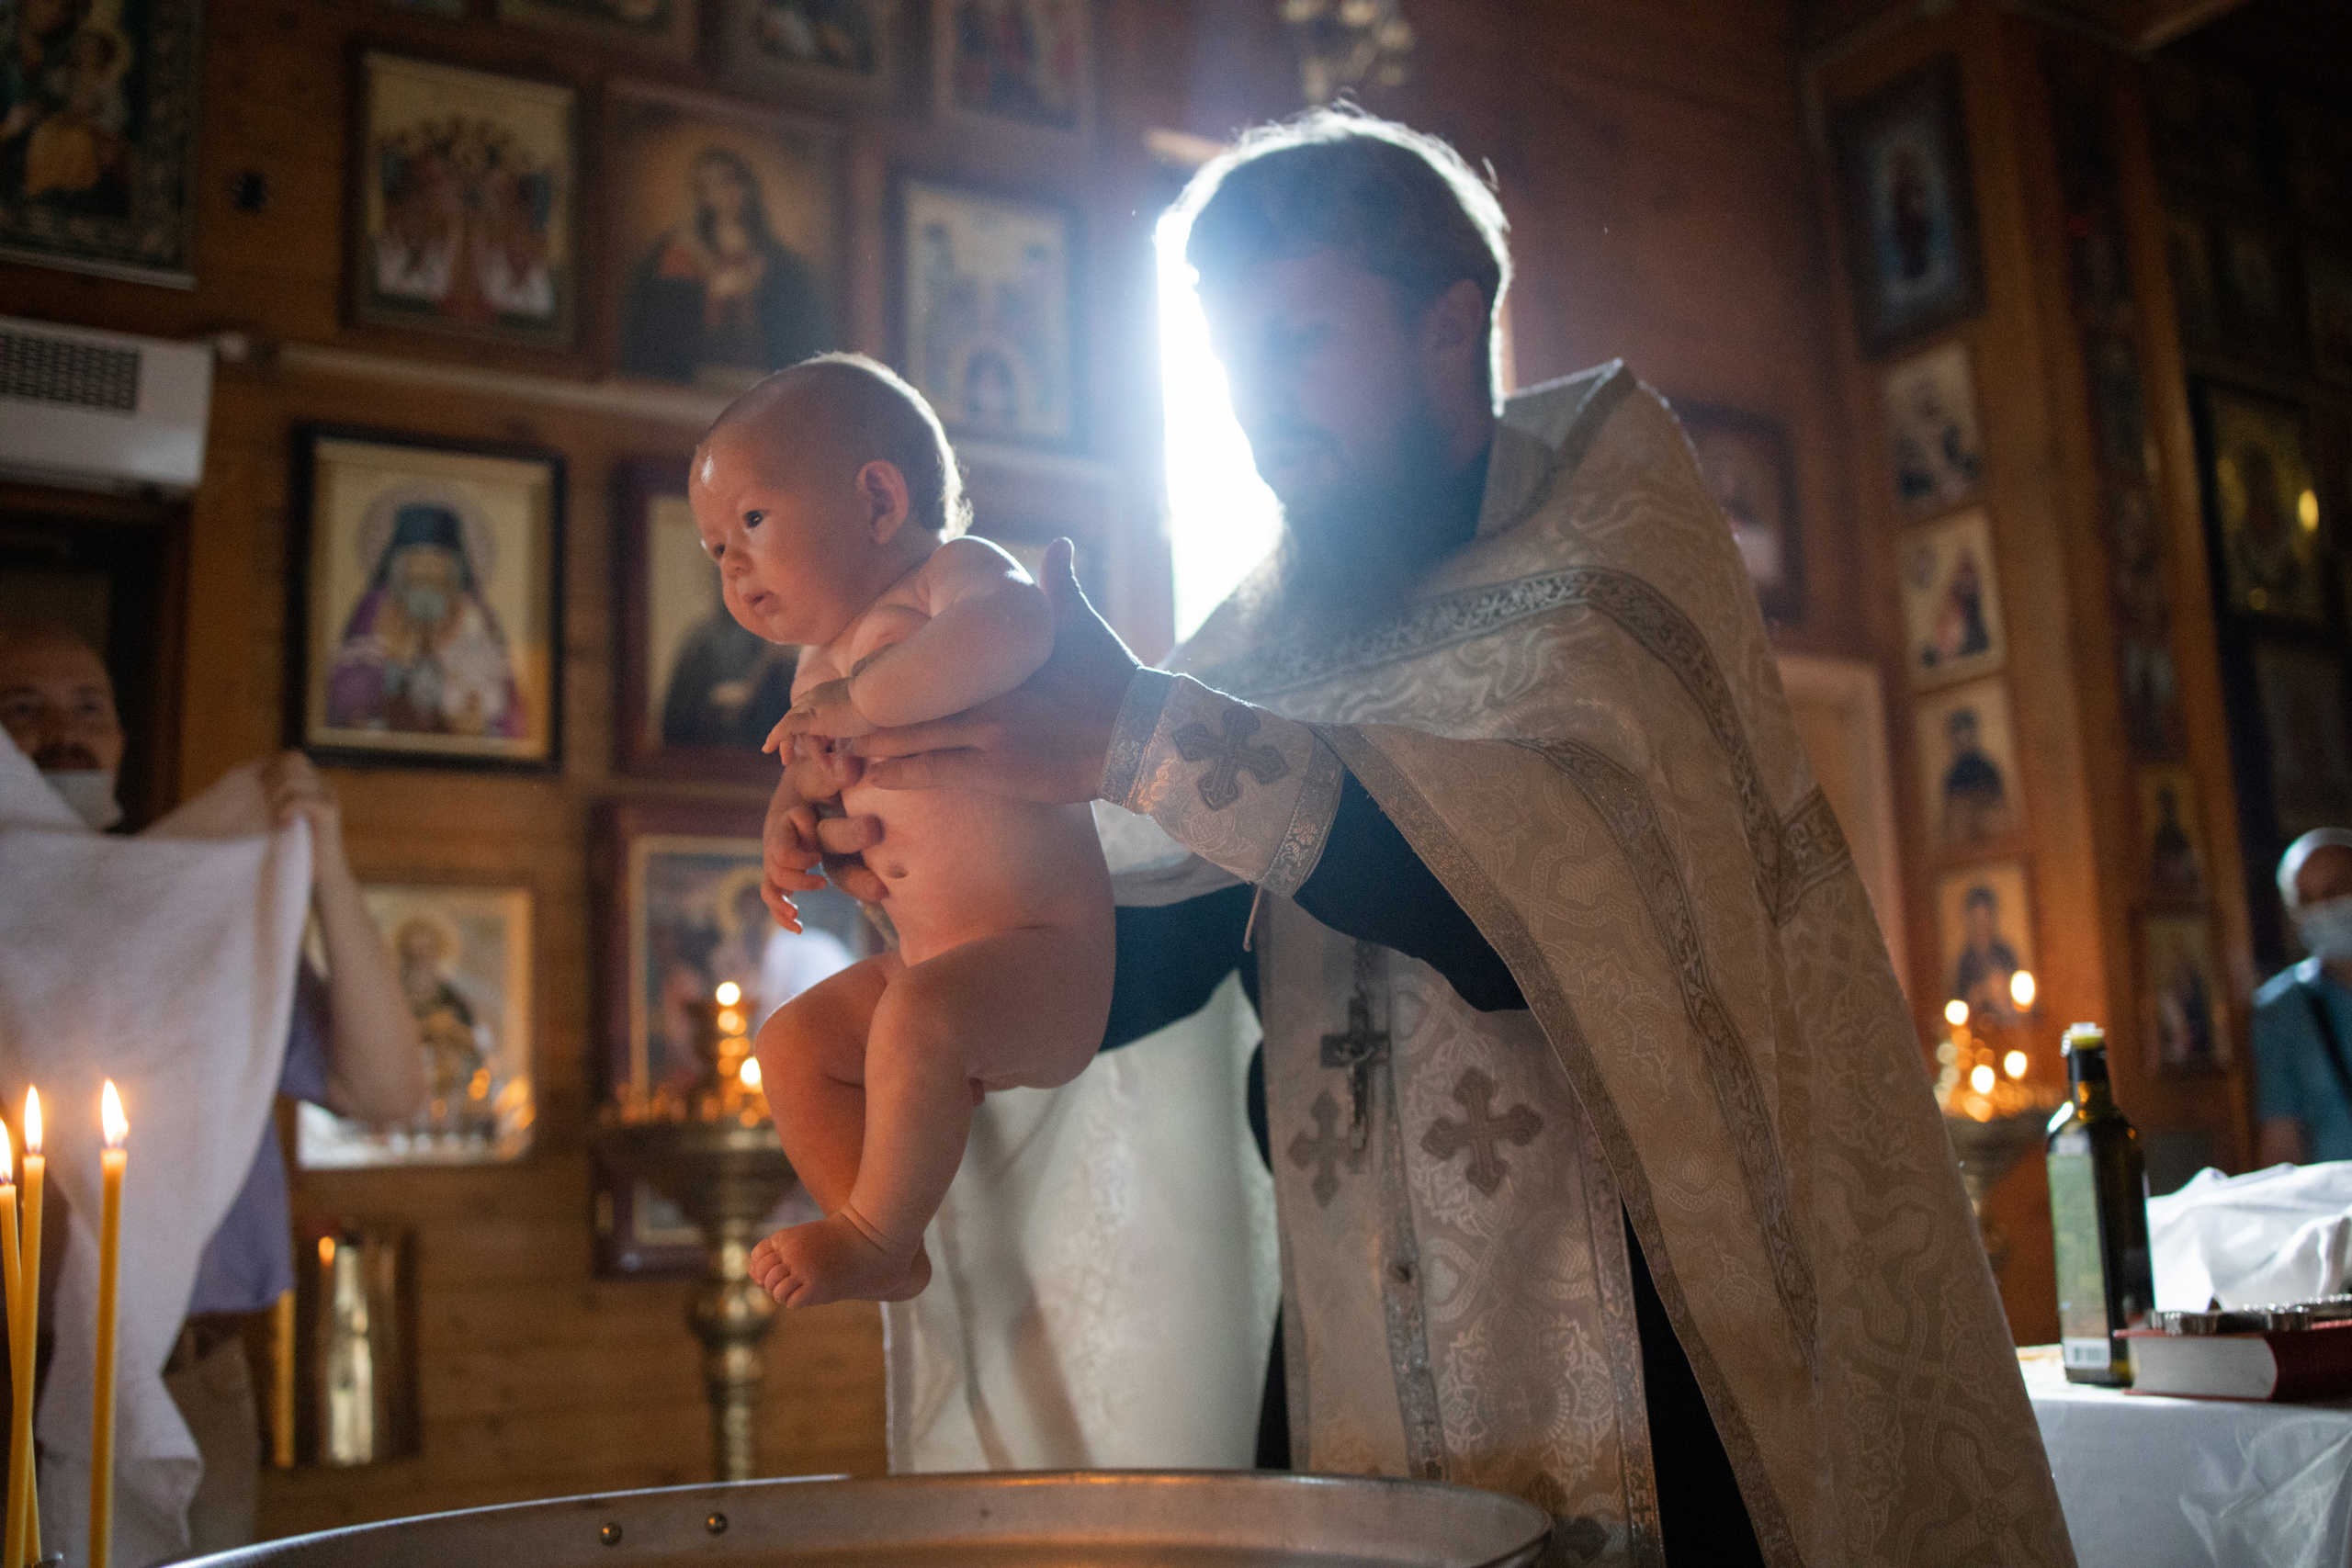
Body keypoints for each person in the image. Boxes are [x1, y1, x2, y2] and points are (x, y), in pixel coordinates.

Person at [773, 110, 2069, 1564]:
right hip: (1341, 1359)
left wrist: (1141, 737)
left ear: (1452, 326)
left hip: (1656, 1348)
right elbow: (1153, 964)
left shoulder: (1608, 570)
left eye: (1299, 344)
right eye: (1230, 359)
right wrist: (934, 864)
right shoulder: (1261, 636)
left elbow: (1554, 906)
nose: (1258, 404)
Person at [693, 354, 1114, 1308]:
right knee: (791, 1045)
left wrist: (861, 700)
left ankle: (876, 1231)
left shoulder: (953, 578)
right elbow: (810, 772)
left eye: (750, 522)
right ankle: (883, 1237)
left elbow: (1015, 633)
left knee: (919, 1020)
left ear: (878, 501)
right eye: (714, 548)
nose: (731, 564)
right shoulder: (814, 672)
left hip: (1044, 956)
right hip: (926, 961)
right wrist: (787, 827)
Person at [0, 626, 425, 1555]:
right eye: (22, 709)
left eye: (89, 709)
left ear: (119, 740)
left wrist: (325, 862)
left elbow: (387, 1092)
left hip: (193, 1374)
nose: (62, 733)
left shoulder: (193, 916)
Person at [621, 146, 828, 389]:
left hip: (757, 376)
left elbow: (797, 326)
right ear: (702, 194)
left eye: (730, 181)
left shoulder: (778, 261)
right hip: (697, 376)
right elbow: (657, 322)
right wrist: (711, 293)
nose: (725, 194)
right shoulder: (679, 250)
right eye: (711, 186)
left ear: (747, 186)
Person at [2253, 829, 2352, 1165]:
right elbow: (2282, 1141)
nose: (2322, 909)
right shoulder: (2282, 1010)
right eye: (2306, 900)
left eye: (2335, 891)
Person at [1939, 705, 2010, 844]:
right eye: (1959, 737)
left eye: (1967, 735)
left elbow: (2001, 811)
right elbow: (1949, 821)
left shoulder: (1989, 769)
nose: (1963, 741)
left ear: (1974, 735)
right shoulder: (1952, 776)